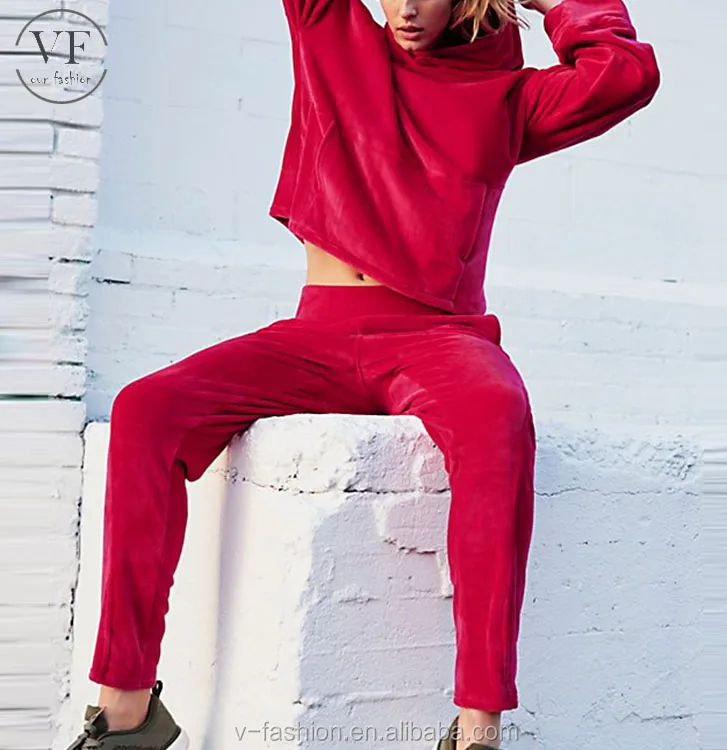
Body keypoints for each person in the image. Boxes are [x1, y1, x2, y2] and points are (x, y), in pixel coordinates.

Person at [64, 1, 659, 749]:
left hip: (438, 337)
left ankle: (478, 729)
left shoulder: (509, 97)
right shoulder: (329, 32)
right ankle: (126, 713)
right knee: (147, 409)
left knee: (498, 418)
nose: (406, 8)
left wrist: (556, 4)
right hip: (316, 334)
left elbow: (625, 76)